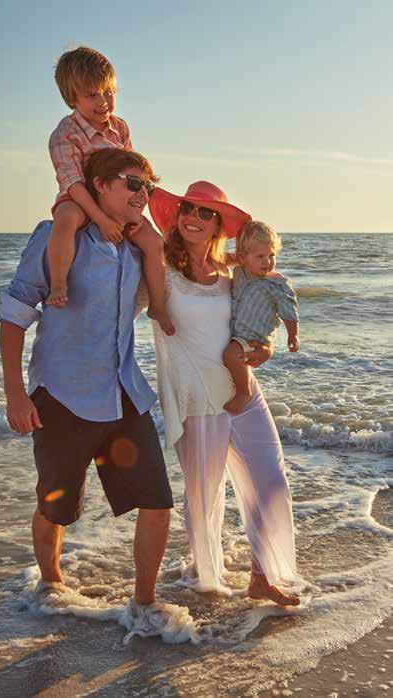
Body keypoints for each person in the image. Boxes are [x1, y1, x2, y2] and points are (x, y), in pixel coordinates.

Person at [0, 147, 173, 610]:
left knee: (157, 502)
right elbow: (14, 315)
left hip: (124, 395)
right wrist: (15, 395)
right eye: (133, 184)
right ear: (100, 185)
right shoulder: (57, 235)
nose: (143, 194)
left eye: (148, 187)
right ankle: (51, 586)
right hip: (62, 397)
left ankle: (146, 606)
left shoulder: (137, 247)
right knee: (56, 508)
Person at [148, 181, 300, 606]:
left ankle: (262, 576)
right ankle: (208, 581)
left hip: (244, 392)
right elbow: (121, 303)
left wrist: (266, 346)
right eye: (187, 209)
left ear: (218, 225)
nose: (193, 218)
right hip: (197, 400)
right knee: (205, 498)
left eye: (205, 213)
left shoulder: (233, 275)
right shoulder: (160, 269)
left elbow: (257, 317)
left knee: (271, 481)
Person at [46, 45, 174, 335]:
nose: (103, 102)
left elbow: (132, 170)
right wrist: (101, 219)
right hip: (81, 198)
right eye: (92, 95)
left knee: (153, 242)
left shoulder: (120, 128)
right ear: (72, 98)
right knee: (65, 219)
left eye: (109, 92)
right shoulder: (64, 134)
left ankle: (157, 304)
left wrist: (132, 213)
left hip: (116, 201)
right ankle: (59, 283)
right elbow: (73, 183)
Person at [222, 221, 300, 414]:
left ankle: (244, 392)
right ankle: (237, 385)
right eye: (260, 256)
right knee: (232, 357)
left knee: (230, 355)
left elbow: (288, 312)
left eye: (271, 255)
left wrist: (293, 335)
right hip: (236, 332)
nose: (267, 262)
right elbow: (219, 257)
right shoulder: (239, 272)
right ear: (242, 258)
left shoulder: (276, 284)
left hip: (254, 337)